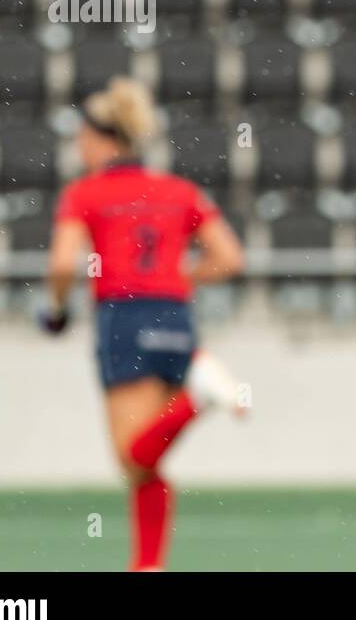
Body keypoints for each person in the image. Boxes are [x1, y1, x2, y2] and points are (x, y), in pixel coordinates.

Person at [41, 77, 246, 571]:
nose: (78, 146)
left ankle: (198, 397)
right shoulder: (177, 190)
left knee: (131, 457)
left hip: (123, 317)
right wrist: (183, 277)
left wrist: (56, 311)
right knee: (147, 464)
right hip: (176, 318)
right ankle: (148, 565)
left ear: (102, 138)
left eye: (82, 137)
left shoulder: (85, 193)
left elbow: (64, 265)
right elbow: (230, 257)